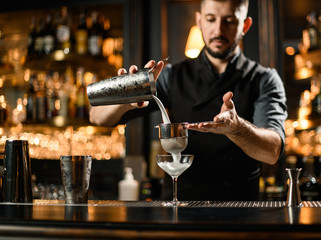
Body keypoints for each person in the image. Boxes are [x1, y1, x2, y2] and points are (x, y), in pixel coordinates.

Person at [89, 0, 287, 201]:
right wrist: (126, 97)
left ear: (245, 25)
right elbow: (97, 117)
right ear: (199, 21)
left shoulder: (264, 79)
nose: (218, 29)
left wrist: (237, 128)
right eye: (210, 19)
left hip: (239, 210)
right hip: (180, 207)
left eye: (229, 21)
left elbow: (272, 151)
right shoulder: (172, 76)